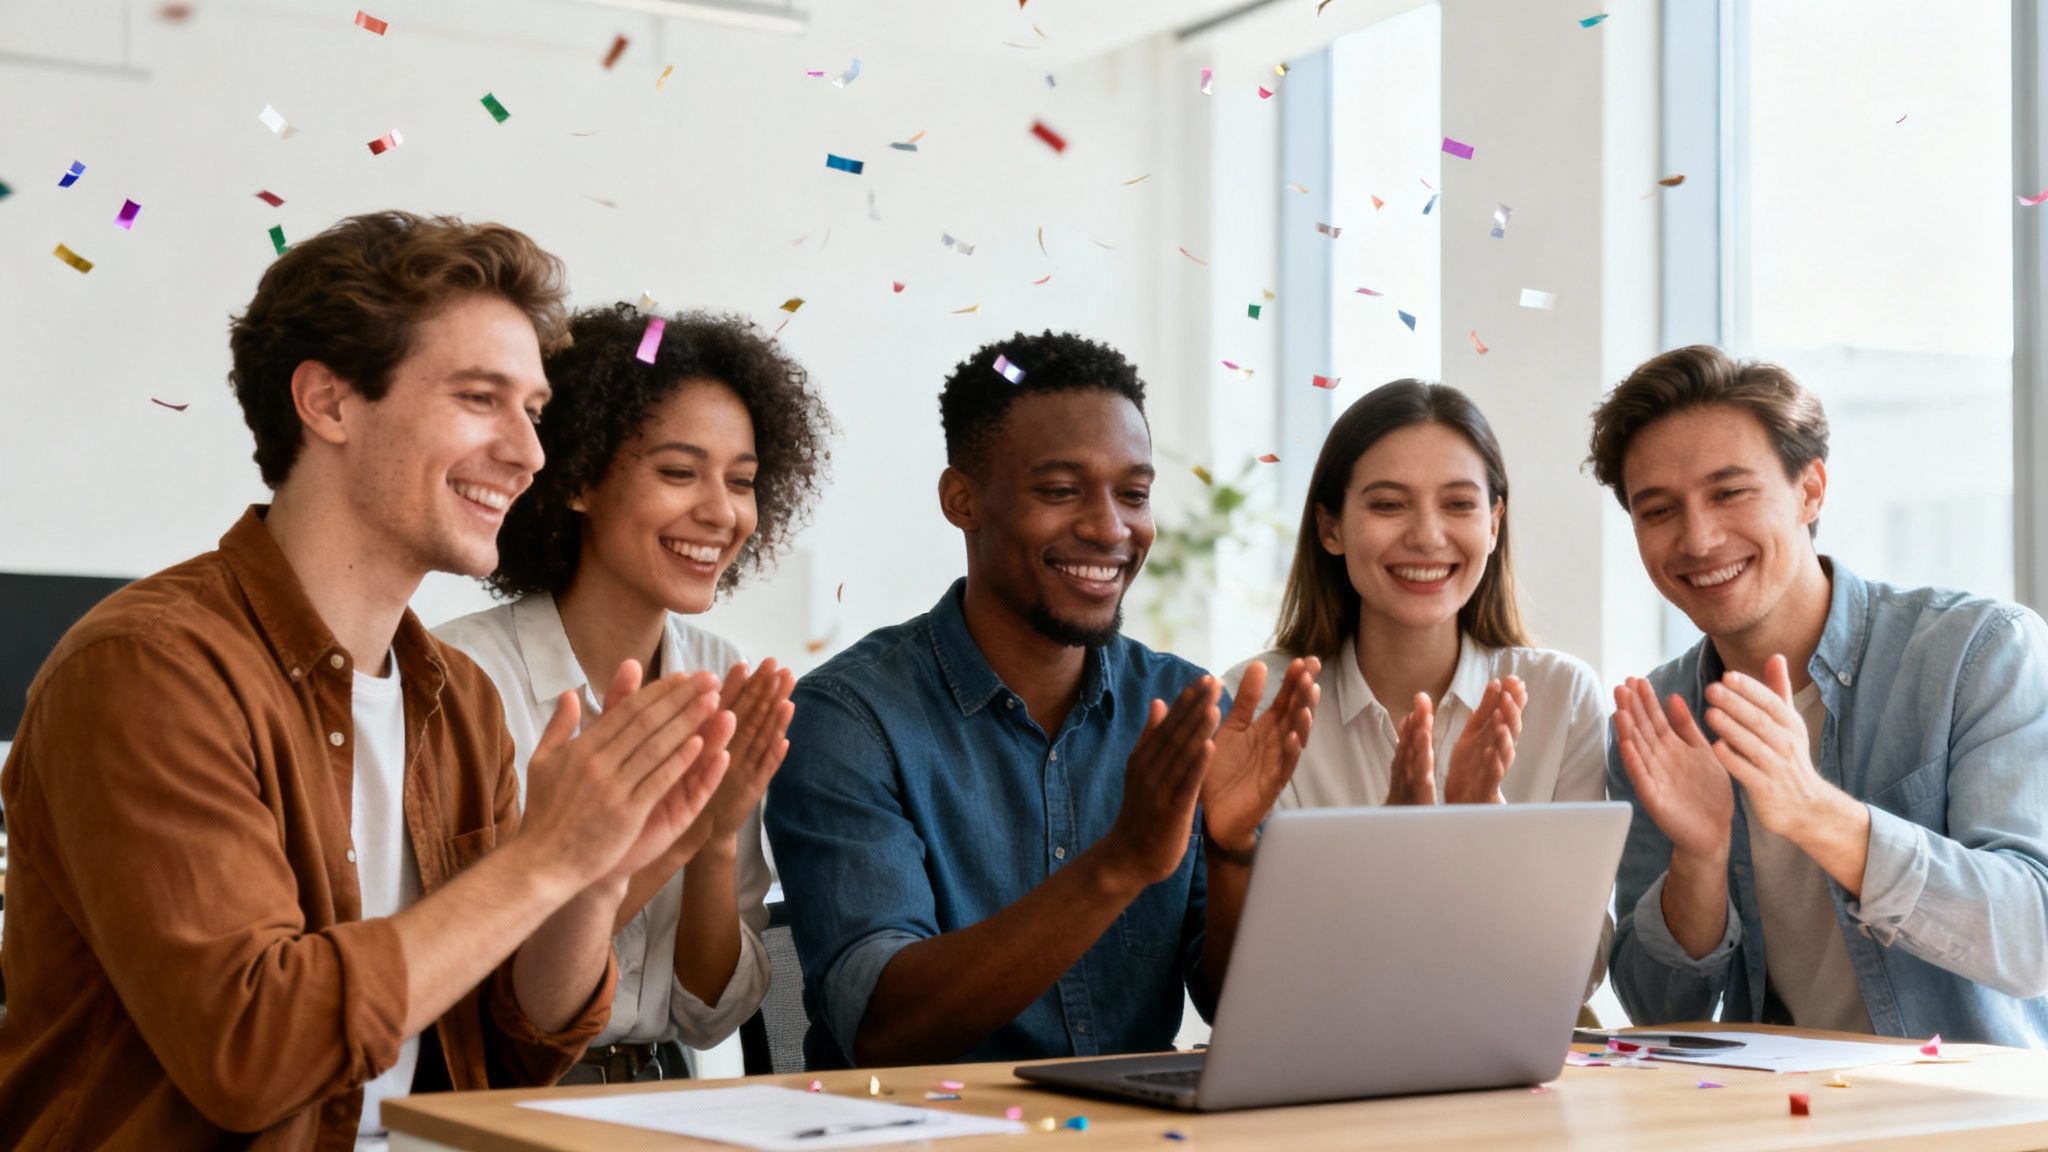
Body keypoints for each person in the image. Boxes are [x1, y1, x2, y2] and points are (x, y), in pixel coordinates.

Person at [0, 212, 736, 1149]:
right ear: (331, 404)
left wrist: (593, 878)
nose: (530, 454)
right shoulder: (149, 670)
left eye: (534, 411)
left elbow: (505, 1049)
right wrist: (542, 858)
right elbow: (252, 1054)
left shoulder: (456, 697)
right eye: (480, 398)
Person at [766, 330, 1319, 1071]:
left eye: (1134, 493)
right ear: (963, 501)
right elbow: (883, 1027)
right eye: (1061, 491)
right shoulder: (849, 720)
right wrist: (1119, 862)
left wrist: (1233, 856)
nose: (1110, 528)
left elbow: (1241, 1008)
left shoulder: (1184, 706)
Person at [1592, 344, 2048, 1045]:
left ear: (1811, 490)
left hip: (1977, 1123)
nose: (1699, 537)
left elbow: (2032, 936)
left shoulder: (1980, 653)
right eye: (1658, 510)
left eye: (1730, 492)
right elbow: (1656, 1008)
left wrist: (1814, 812)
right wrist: (1701, 860)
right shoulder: (1662, 723)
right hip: (1784, 1123)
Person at [437, 305, 832, 1081]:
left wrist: (716, 840)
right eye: (679, 473)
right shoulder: (461, 679)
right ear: (579, 476)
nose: (720, 512)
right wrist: (658, 845)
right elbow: (486, 990)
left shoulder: (720, 676)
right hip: (502, 1099)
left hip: (665, 1093)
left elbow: (712, 1014)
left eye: (742, 481)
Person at [1224, 380, 1610, 1009]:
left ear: (1494, 523)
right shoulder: (1259, 700)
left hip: (1509, 1073)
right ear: (1330, 526)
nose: (1428, 536)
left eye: (1459, 504)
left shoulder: (1561, 697)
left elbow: (1580, 967)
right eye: (1388, 505)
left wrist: (1484, 831)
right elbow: (1263, 977)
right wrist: (1402, 852)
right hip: (1321, 1073)